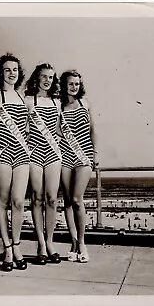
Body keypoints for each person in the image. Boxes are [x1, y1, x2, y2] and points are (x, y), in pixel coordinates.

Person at [0, 54, 30, 271]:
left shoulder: (24, 97)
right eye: (7, 69)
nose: (12, 73)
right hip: (1, 153)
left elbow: (28, 128)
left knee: (18, 202)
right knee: (2, 202)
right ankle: (7, 249)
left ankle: (17, 245)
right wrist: (1, 133)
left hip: (22, 154)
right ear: (0, 73)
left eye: (15, 69)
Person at [58, 70, 98, 263]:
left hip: (83, 157)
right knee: (66, 201)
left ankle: (82, 242)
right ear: (64, 85)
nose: (74, 87)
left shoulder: (85, 103)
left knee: (76, 199)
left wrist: (95, 154)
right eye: (71, 83)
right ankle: (73, 242)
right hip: (65, 156)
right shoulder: (59, 106)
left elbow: (92, 130)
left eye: (77, 83)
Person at [24, 63, 62, 265]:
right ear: (37, 78)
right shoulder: (28, 100)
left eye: (51, 77)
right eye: (44, 76)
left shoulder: (57, 102)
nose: (48, 80)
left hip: (53, 154)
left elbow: (59, 130)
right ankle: (40, 243)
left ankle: (50, 242)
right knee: (37, 198)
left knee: (52, 199)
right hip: (34, 153)